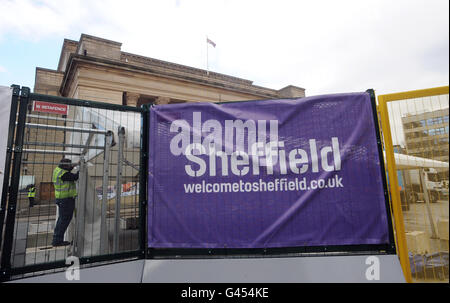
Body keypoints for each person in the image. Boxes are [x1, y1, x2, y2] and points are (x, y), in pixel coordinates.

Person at [52, 158, 79, 247]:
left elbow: (67, 172)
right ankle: (57, 241)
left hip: (62, 199)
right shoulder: (63, 174)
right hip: (66, 200)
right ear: (65, 165)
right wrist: (81, 169)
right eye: (69, 165)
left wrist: (74, 165)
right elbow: (74, 177)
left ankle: (56, 240)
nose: (70, 166)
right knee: (64, 220)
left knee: (61, 220)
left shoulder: (58, 170)